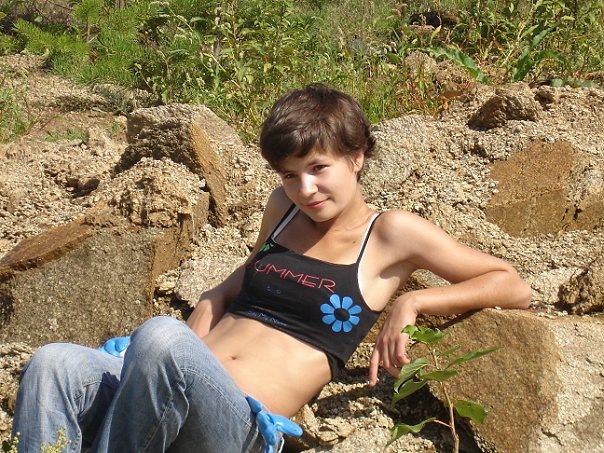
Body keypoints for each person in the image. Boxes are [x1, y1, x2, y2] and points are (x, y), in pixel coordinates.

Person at [11, 84, 531, 452]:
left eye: (319, 168)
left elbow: (512, 284)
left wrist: (415, 300)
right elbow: (246, 275)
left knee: (162, 337)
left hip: (236, 424)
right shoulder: (283, 210)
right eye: (290, 175)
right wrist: (214, 297)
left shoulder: (390, 233)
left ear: (356, 156)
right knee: (54, 363)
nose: (306, 189)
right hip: (172, 385)